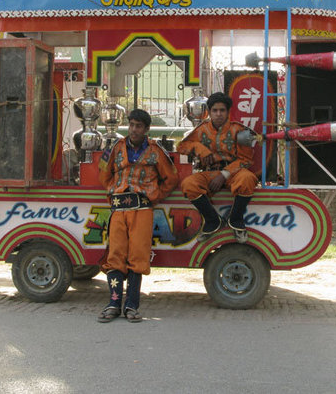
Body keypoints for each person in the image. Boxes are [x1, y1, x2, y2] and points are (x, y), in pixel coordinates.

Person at [97, 109, 178, 323]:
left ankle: (131, 306)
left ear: (147, 129)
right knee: (115, 256)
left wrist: (154, 196)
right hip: (118, 209)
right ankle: (114, 303)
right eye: (131, 124)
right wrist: (113, 190)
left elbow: (171, 178)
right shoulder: (115, 147)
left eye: (139, 126)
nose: (134, 129)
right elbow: (103, 172)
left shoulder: (156, 151)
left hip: (142, 209)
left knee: (138, 257)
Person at [176, 92, 257, 244]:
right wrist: (199, 147)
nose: (218, 114)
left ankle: (236, 220)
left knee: (248, 178)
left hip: (234, 173)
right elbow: (182, 146)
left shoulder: (239, 130)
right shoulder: (201, 129)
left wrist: (224, 174)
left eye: (222, 110)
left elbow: (246, 159)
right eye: (215, 110)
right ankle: (213, 220)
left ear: (228, 112)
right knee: (189, 184)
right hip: (210, 173)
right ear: (209, 111)